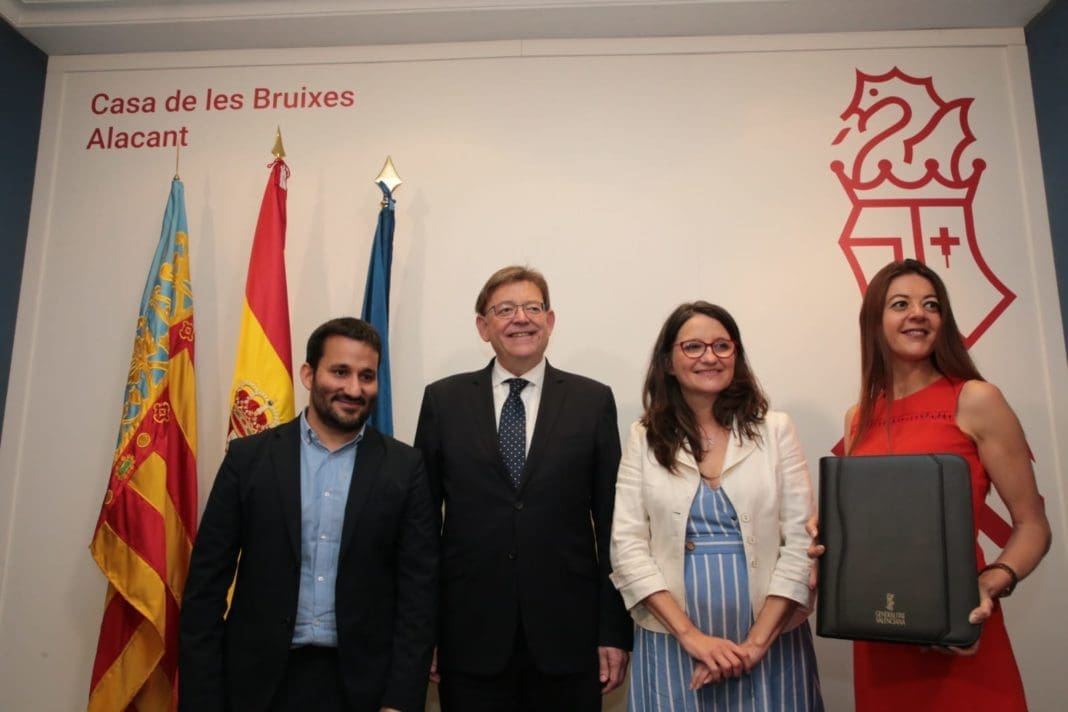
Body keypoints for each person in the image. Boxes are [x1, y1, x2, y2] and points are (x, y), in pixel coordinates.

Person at [179, 318, 437, 712]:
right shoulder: (249, 460)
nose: (354, 389)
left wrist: (400, 700)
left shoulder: (405, 468)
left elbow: (418, 596)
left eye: (367, 376)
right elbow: (205, 589)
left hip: (363, 688)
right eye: (340, 372)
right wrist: (204, 698)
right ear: (308, 374)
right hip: (257, 685)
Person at [413, 265, 632, 711]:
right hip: (468, 636)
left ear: (549, 321)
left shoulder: (592, 402)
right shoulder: (443, 401)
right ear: (483, 326)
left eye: (533, 308)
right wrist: (425, 630)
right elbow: (420, 526)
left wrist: (612, 630)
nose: (521, 319)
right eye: (505, 309)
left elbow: (614, 523)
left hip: (568, 638)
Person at [842, 258, 1050, 711]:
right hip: (877, 639)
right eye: (901, 304)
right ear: (875, 322)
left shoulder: (976, 399)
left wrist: (992, 582)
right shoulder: (858, 417)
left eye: (931, 305)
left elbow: (1033, 525)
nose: (919, 313)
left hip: (961, 628)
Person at [610, 301, 824, 711]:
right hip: (673, 642)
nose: (710, 356)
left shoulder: (775, 429)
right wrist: (692, 637)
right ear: (669, 362)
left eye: (722, 346)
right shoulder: (644, 436)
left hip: (771, 642)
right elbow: (628, 546)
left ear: (736, 356)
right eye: (692, 347)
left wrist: (754, 645)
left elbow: (800, 541)